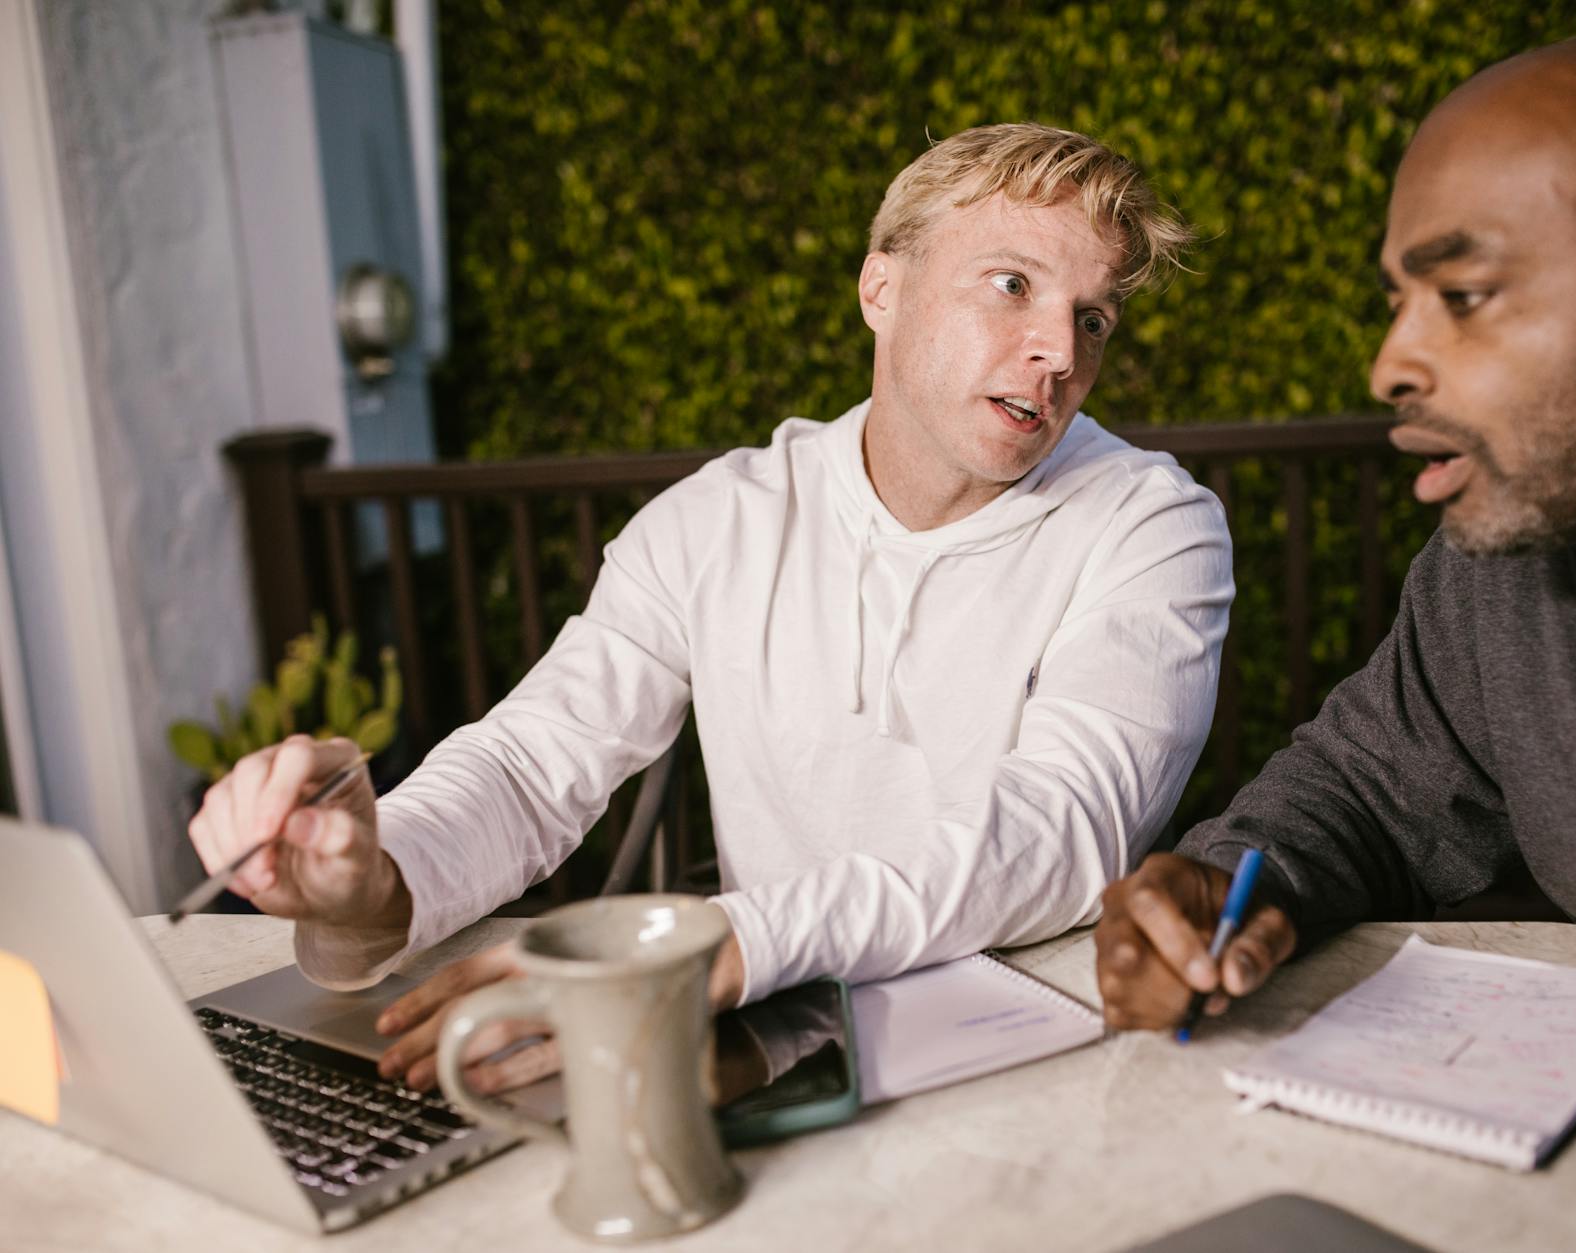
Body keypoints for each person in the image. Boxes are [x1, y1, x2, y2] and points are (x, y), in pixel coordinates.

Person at [189, 124, 1233, 1094]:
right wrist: (374, 883)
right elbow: (527, 765)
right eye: (1011, 284)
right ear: (881, 285)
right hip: (764, 1053)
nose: (1057, 350)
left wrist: (728, 941)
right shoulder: (715, 519)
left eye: (1090, 317)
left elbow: (1063, 830)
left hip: (1041, 1077)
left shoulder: (1154, 526)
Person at [1094, 28, 1576, 1249]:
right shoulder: (1503, 550)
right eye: (1399, 301)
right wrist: (1231, 875)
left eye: (1461, 296)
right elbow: (1362, 781)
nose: (1390, 361)